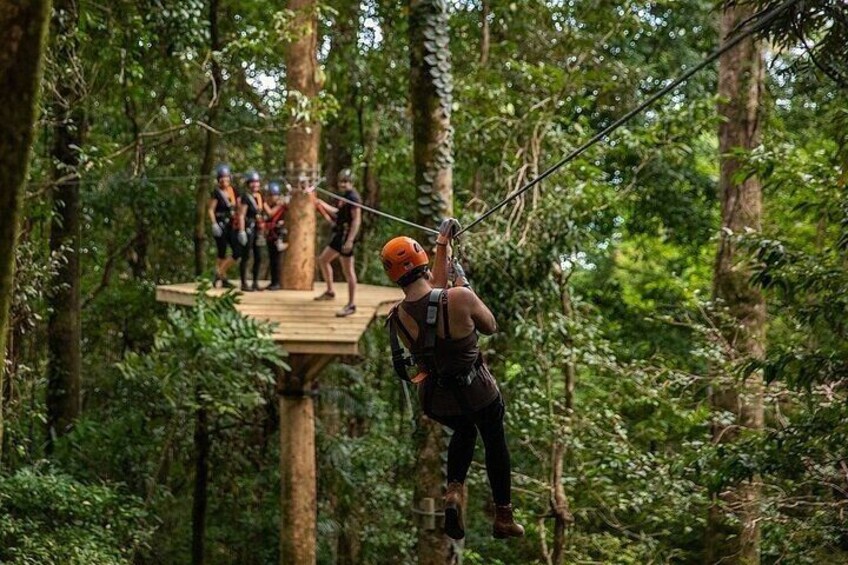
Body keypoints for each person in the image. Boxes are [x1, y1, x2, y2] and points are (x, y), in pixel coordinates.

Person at [381, 219, 524, 541]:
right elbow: (490, 326)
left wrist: (442, 246)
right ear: (420, 263)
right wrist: (465, 287)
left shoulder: (397, 317)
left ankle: (453, 492)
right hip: (477, 391)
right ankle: (503, 516)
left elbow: (431, 303)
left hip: (438, 399)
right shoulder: (459, 297)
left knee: (463, 427)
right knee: (493, 438)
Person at [313, 169, 362, 317]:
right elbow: (337, 213)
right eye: (341, 182)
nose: (343, 184)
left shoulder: (353, 197)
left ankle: (351, 304)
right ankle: (330, 291)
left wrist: (350, 240)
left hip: (346, 235)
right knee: (323, 260)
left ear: (352, 183)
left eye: (346, 182)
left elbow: (356, 220)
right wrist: (320, 203)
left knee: (348, 271)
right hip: (339, 235)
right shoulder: (344, 197)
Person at [207, 164, 244, 288]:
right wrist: (214, 224)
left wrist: (241, 224)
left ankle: (219, 272)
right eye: (222, 178)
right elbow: (211, 209)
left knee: (237, 251)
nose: (224, 180)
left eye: (226, 178)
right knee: (221, 252)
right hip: (221, 224)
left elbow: (239, 207)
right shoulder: (216, 193)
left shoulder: (234, 191)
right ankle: (223, 279)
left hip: (232, 224)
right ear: (218, 179)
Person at [237, 170, 265, 292]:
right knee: (246, 255)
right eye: (253, 183)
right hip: (249, 228)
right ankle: (244, 282)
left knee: (258, 256)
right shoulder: (246, 197)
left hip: (258, 228)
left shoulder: (259, 196)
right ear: (248, 184)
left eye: (257, 182)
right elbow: (242, 214)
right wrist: (241, 230)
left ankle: (255, 282)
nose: (255, 185)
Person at [263, 181, 289, 290]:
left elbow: (271, 213)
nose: (269, 198)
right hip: (271, 234)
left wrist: (262, 203)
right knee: (272, 259)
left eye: (271, 195)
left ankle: (277, 282)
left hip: (278, 235)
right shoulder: (274, 204)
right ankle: (273, 281)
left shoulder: (280, 205)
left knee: (277, 260)